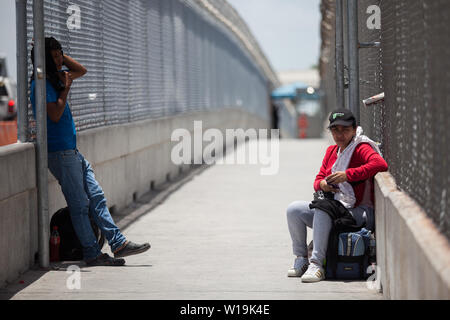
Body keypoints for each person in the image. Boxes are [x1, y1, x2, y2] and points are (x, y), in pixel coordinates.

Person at [30, 37, 150, 266]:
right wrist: (65, 89)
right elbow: (53, 115)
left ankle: (118, 243)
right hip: (59, 152)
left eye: (59, 56)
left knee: (96, 197)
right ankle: (91, 253)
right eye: (52, 57)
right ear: (43, 60)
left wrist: (58, 54)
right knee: (79, 205)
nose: (58, 61)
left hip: (72, 152)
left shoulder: (57, 77)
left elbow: (81, 70)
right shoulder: (42, 83)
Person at [286, 109, 388, 282]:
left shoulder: (360, 147)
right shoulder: (332, 151)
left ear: (355, 130)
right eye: (335, 130)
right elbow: (318, 179)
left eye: (345, 130)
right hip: (337, 209)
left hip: (360, 212)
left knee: (323, 209)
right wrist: (324, 185)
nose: (340, 134)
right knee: (294, 209)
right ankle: (301, 259)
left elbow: (380, 163)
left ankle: (317, 265)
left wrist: (348, 175)